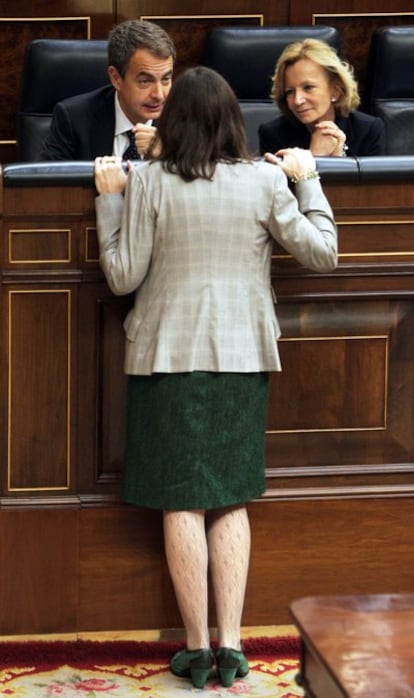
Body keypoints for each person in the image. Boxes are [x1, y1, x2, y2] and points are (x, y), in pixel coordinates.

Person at [93, 65, 337, 689]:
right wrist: (308, 180)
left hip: (165, 355)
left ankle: (196, 650)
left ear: (173, 122)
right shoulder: (263, 180)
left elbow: (121, 276)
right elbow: (322, 252)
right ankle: (232, 645)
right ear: (236, 121)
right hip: (241, 353)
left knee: (182, 499)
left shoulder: (149, 182)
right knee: (229, 496)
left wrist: (110, 203)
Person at [40, 19, 175, 160]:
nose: (159, 95)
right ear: (116, 78)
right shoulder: (74, 119)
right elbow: (48, 180)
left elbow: (195, 177)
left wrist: (165, 157)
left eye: (166, 79)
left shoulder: (185, 122)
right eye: (145, 81)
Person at [259, 38, 386, 157]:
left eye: (308, 87)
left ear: (335, 91)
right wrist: (315, 156)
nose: (298, 100)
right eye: (290, 92)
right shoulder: (273, 135)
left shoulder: (368, 130)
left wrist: (339, 160)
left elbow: (378, 181)